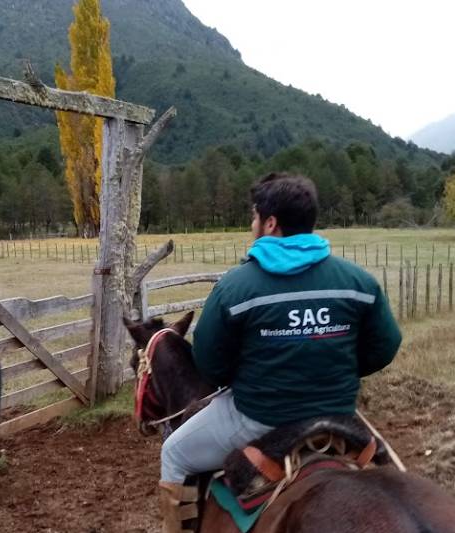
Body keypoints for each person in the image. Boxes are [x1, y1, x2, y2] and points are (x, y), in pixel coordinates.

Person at [156, 173, 402, 533]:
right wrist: (330, 370)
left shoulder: (235, 286)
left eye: (255, 218)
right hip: (338, 412)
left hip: (257, 418)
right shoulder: (359, 282)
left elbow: (209, 364)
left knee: (174, 453)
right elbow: (385, 346)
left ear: (271, 223)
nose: (252, 225)